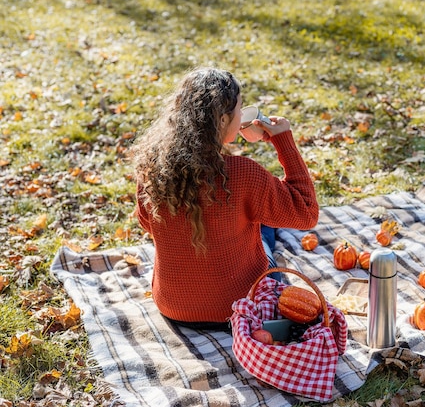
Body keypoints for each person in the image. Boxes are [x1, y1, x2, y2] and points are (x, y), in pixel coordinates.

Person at [131, 67, 319, 329]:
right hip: (239, 306)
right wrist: (283, 141)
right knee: (265, 226)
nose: (243, 115)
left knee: (256, 214)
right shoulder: (244, 174)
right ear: (221, 120)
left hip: (172, 307)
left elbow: (147, 223)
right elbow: (307, 212)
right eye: (240, 109)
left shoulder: (152, 169)